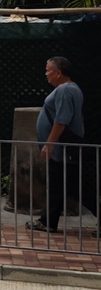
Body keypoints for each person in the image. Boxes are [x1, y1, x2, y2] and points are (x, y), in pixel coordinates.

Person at [28, 56, 96, 233]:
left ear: (58, 73)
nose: (46, 74)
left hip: (61, 149)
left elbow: (61, 120)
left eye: (48, 70)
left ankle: (47, 221)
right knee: (61, 186)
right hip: (63, 148)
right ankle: (47, 221)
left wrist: (49, 144)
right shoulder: (72, 89)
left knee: (75, 187)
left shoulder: (65, 91)